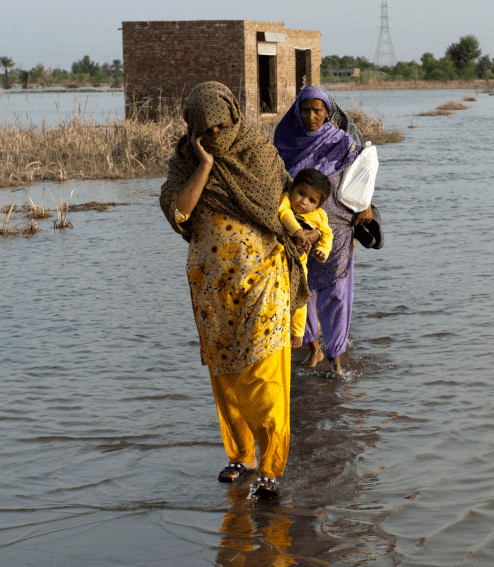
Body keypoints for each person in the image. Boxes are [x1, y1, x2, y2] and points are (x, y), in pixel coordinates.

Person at [159, 81, 307, 499]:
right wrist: (204, 165)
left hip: (263, 283)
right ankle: (241, 454)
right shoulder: (186, 161)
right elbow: (180, 212)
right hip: (212, 291)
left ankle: (271, 466)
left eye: (221, 126)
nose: (215, 136)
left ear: (234, 118)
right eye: (204, 131)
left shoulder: (259, 155)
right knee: (226, 376)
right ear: (191, 129)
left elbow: (281, 208)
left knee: (263, 376)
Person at [273, 85, 372, 376]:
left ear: (328, 113)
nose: (311, 116)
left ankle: (336, 355)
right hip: (296, 229)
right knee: (299, 287)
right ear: (297, 111)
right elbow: (276, 183)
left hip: (336, 230)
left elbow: (360, 179)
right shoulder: (284, 138)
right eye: (305, 109)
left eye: (317, 110)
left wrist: (366, 205)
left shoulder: (341, 141)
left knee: (336, 291)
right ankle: (313, 346)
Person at [277, 167, 334, 350]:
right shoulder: (285, 199)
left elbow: (327, 234)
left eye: (311, 200)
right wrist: (297, 231)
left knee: (300, 297)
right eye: (300, 193)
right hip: (278, 259)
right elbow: (284, 213)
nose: (303, 202)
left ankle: (298, 332)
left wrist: (323, 251)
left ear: (318, 205)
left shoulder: (319, 215)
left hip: (300, 263)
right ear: (292, 189)